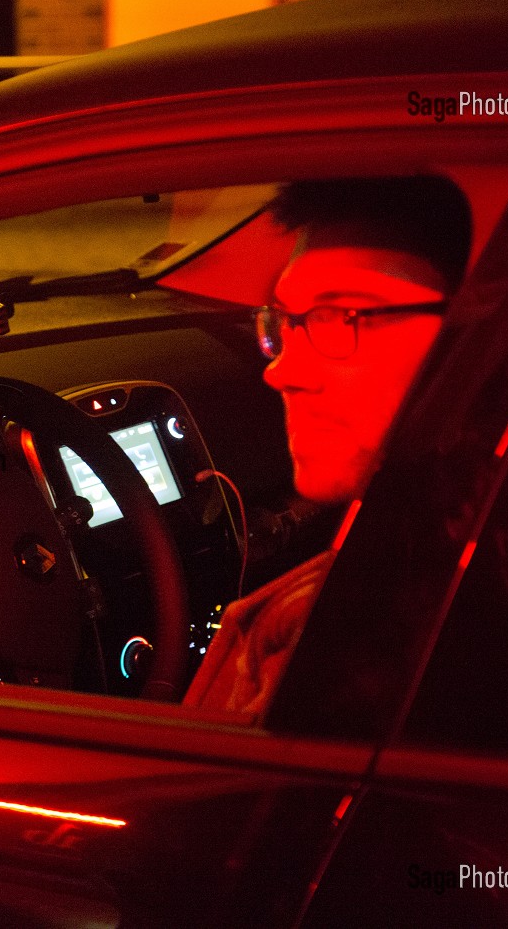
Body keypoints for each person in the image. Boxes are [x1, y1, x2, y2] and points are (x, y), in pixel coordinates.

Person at [183, 176, 473, 720]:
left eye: (342, 316)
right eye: (286, 324)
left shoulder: (338, 640)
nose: (279, 370)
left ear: (468, 337)